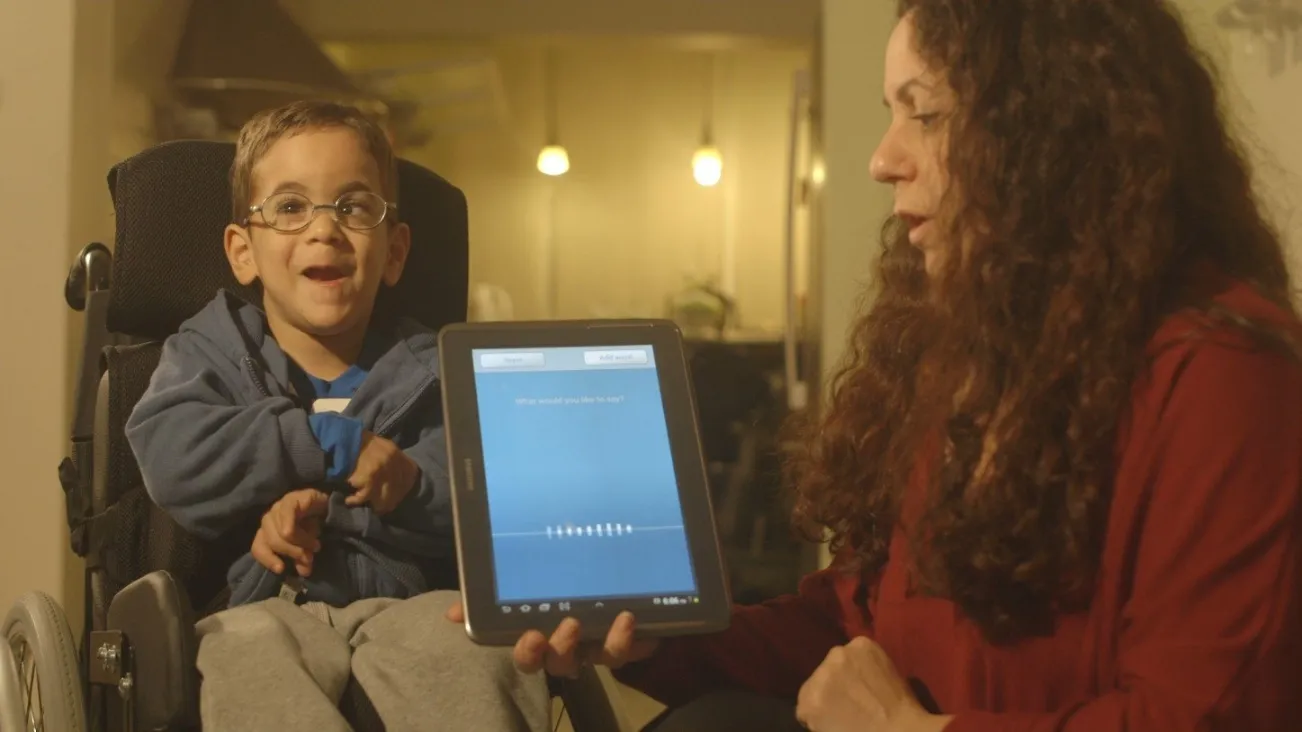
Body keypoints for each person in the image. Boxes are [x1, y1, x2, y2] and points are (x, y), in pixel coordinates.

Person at [461, 1, 1302, 730]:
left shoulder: (1226, 376)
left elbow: (1202, 717)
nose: (881, 157)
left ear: (1051, 134)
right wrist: (659, 631)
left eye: (924, 113)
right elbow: (855, 617)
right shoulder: (972, 352)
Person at [127, 101, 551, 732]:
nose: (323, 229)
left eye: (354, 207)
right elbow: (173, 453)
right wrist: (327, 446)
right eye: (291, 207)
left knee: (470, 651)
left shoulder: (437, 369)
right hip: (265, 603)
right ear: (243, 251)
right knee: (245, 652)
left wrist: (408, 484)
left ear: (395, 250)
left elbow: (492, 499)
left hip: (412, 604)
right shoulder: (209, 350)